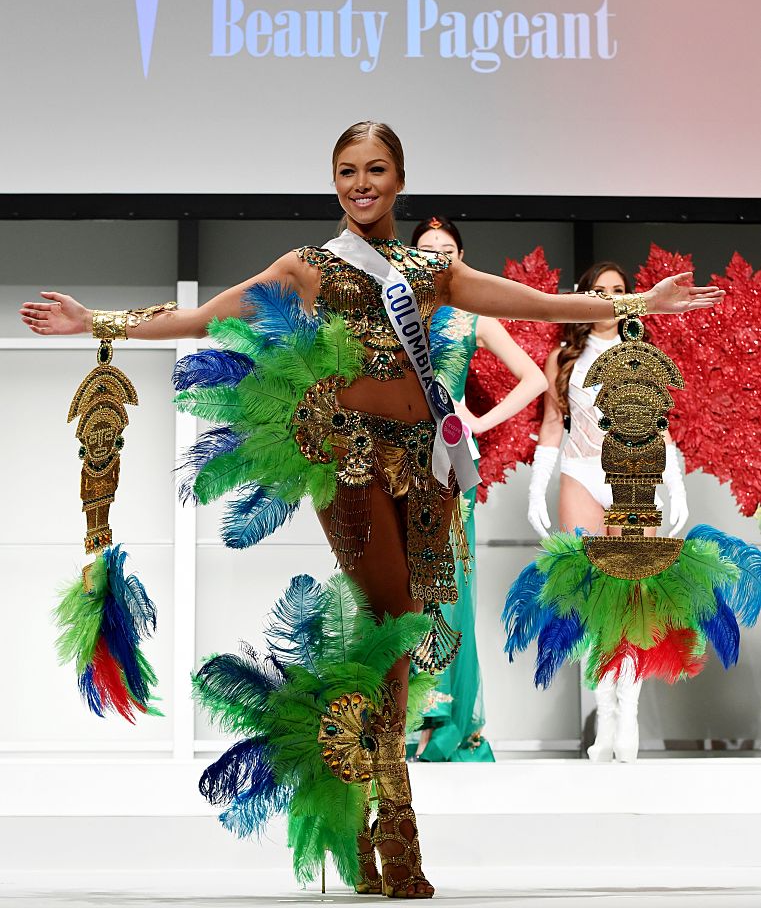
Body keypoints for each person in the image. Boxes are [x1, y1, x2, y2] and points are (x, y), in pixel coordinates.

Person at [20, 125, 722, 896]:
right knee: (389, 613)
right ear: (334, 182)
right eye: (347, 171)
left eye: (375, 170)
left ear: (398, 180)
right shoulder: (308, 266)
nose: (361, 183)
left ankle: (354, 808)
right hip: (344, 455)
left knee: (401, 630)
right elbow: (210, 315)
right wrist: (99, 323)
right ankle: (397, 827)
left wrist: (638, 307)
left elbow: (534, 301)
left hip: (425, 463)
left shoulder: (431, 268)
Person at [528, 261, 690, 763]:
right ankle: (605, 713)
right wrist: (537, 487)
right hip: (579, 472)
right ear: (584, 296)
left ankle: (630, 711)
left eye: (619, 292)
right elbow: (554, 423)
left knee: (633, 594)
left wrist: (676, 482)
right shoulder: (564, 358)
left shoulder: (642, 356)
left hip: (635, 473)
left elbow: (659, 424)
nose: (609, 300)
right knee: (590, 595)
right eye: (600, 292)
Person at [409, 216, 548, 763]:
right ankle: (404, 714)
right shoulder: (390, 313)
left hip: (448, 459)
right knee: (400, 585)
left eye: (447, 249)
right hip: (396, 457)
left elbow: (534, 378)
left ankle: (443, 722)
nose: (437, 256)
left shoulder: (473, 315)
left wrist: (478, 423)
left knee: (451, 585)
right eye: (426, 249)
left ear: (461, 257)